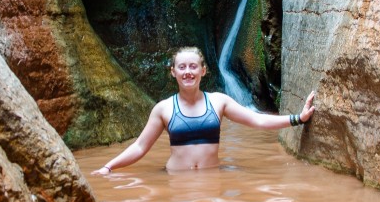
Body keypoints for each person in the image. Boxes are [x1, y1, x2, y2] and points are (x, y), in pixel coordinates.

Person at [92, 45, 315, 175]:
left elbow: (257, 121)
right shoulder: (163, 108)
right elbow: (140, 147)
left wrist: (298, 118)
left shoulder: (219, 102)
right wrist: (108, 167)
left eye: (193, 66)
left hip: (212, 179)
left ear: (203, 70)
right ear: (173, 72)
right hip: (174, 181)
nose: (188, 72)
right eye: (182, 67)